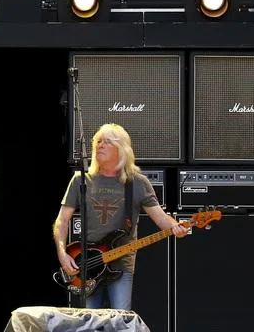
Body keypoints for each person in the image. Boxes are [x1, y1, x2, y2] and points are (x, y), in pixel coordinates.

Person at [52, 123, 189, 310]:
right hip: (86, 264)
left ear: (121, 149)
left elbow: (161, 218)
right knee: (90, 322)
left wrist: (176, 228)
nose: (100, 145)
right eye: (98, 141)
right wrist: (62, 253)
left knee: (121, 319)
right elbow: (62, 220)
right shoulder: (81, 180)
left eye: (107, 142)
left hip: (121, 264)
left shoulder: (137, 183)